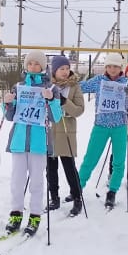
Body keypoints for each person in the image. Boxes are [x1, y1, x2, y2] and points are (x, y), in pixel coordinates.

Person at [3, 50, 63, 235]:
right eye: (30, 64)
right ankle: (16, 213)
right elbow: (9, 116)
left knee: (36, 181)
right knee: (17, 180)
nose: (33, 67)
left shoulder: (52, 89)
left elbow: (56, 117)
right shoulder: (18, 86)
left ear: (44, 67)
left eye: (37, 64)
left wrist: (51, 100)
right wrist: (8, 103)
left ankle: (35, 214)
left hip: (39, 142)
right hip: (19, 141)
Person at [77, 53, 128, 210]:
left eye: (116, 66)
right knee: (90, 158)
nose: (112, 69)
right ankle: (78, 187)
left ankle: (112, 191)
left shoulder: (127, 82)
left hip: (119, 127)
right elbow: (81, 88)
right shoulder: (99, 80)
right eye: (109, 66)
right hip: (101, 126)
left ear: (120, 68)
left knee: (118, 161)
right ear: (106, 67)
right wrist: (69, 81)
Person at [47, 54, 86, 217]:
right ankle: (54, 197)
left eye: (67, 68)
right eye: (61, 69)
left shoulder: (74, 86)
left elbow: (79, 110)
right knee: (50, 168)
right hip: (50, 131)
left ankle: (77, 197)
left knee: (69, 166)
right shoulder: (47, 85)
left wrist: (64, 102)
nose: (64, 72)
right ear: (54, 71)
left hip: (66, 132)